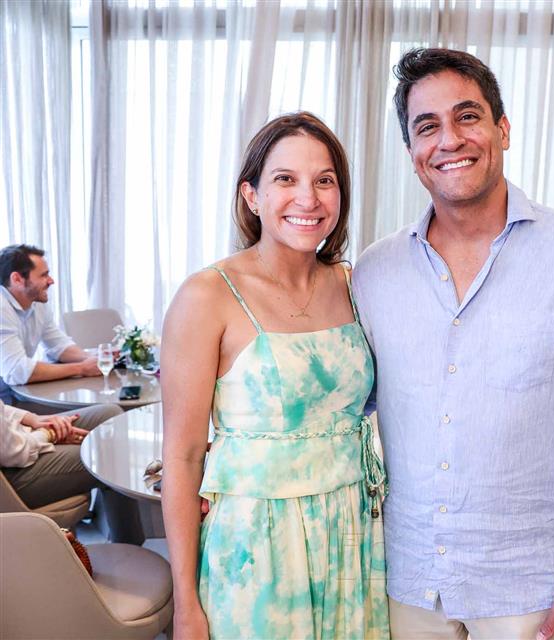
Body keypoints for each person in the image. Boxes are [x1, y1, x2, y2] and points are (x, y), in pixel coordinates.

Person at [352, 48, 554, 640]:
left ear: (502, 129)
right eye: (427, 126)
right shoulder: (373, 273)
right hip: (409, 579)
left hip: (534, 587)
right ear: (412, 153)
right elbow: (343, 409)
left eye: (467, 116)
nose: (449, 140)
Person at [160, 112, 389, 640]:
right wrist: (186, 605)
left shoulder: (356, 285)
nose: (308, 198)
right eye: (285, 179)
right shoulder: (207, 296)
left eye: (324, 180)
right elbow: (183, 457)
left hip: (352, 535)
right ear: (252, 195)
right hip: (257, 548)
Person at [1, 398, 144, 543]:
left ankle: (125, 540)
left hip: (16, 435)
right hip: (9, 481)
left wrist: (31, 418)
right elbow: (15, 453)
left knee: (111, 416)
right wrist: (49, 434)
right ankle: (130, 546)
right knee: (108, 455)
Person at [0, 244, 100, 405]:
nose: (51, 281)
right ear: (17, 279)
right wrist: (81, 368)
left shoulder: (37, 303)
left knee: (101, 408)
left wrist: (94, 359)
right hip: (5, 401)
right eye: (44, 275)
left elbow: (59, 346)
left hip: (18, 392)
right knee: (99, 411)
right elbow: (17, 371)